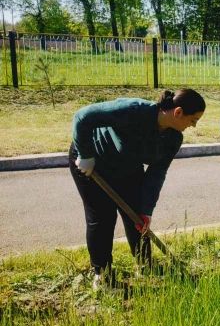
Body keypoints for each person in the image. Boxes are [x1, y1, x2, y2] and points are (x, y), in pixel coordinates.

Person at [70, 89, 206, 289]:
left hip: (127, 167)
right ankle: (102, 274)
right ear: (178, 113)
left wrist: (146, 210)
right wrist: (85, 154)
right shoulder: (134, 110)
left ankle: (145, 264)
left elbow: (156, 173)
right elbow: (83, 116)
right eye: (193, 120)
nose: (193, 126)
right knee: (102, 218)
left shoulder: (173, 139)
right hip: (93, 163)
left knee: (137, 217)